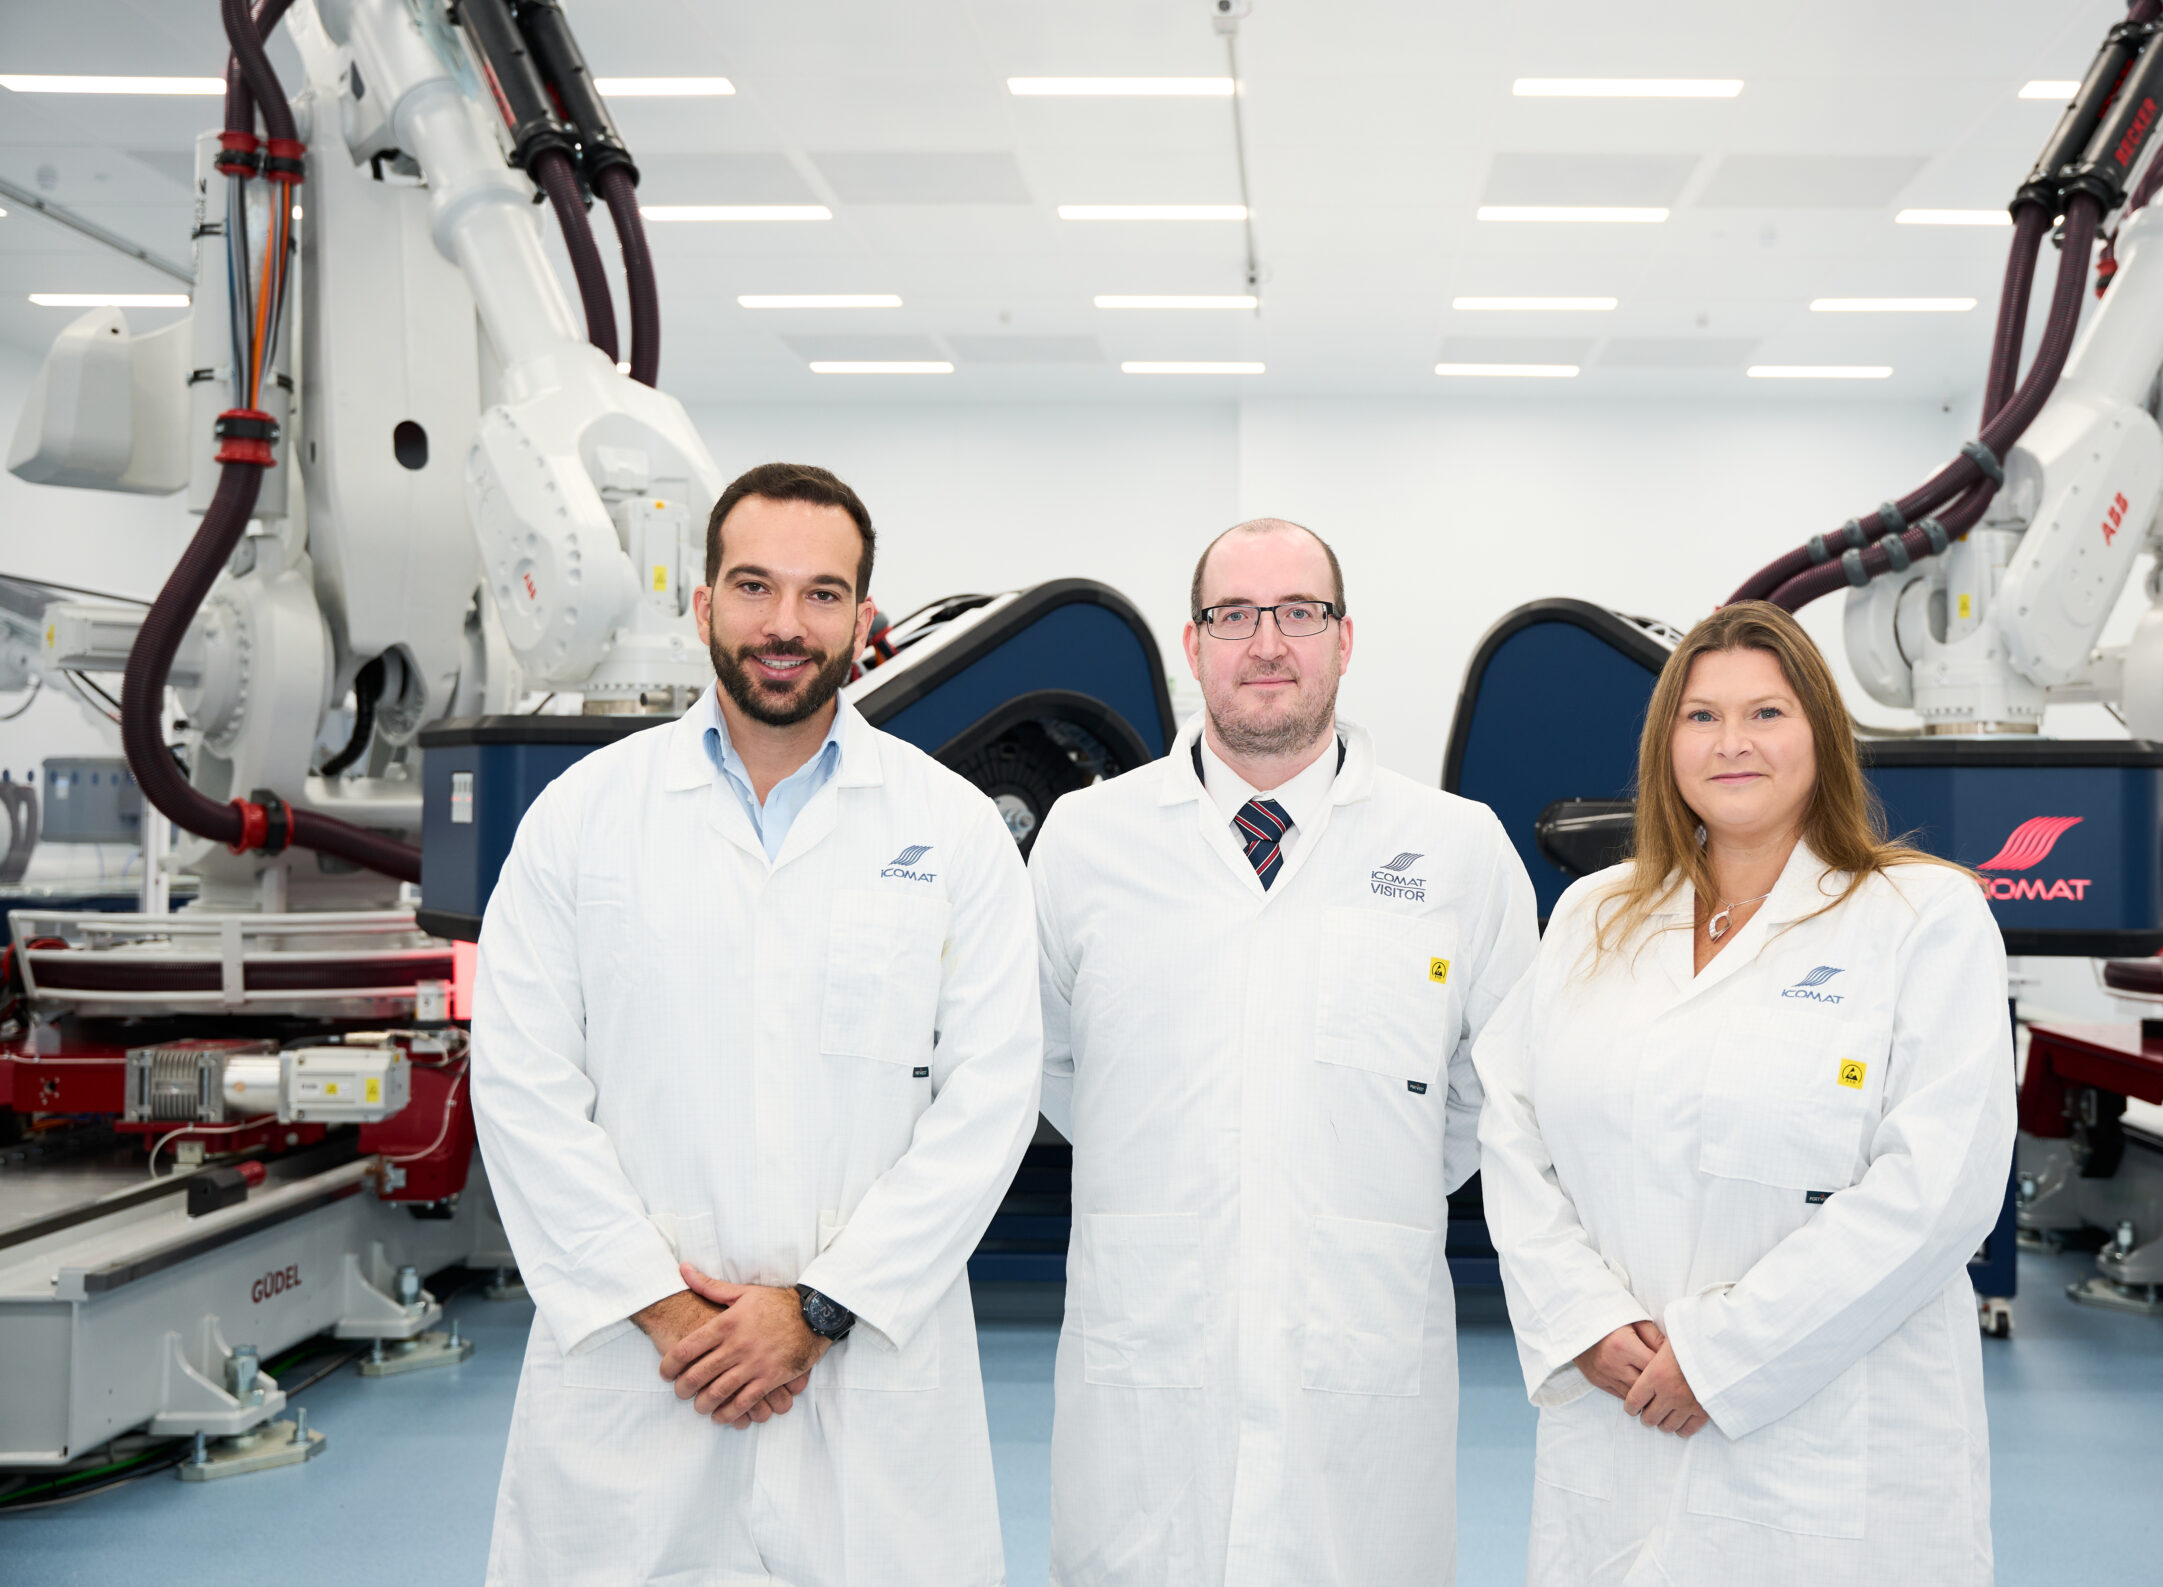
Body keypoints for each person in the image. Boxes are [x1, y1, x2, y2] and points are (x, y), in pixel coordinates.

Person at [470, 462, 1040, 1587]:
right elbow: (523, 1089)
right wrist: (673, 1316)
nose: (786, 624)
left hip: (865, 1373)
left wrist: (820, 1309)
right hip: (642, 1376)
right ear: (701, 606)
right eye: (753, 587)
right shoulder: (582, 820)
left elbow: (989, 1101)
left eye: (823, 594)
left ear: (865, 621)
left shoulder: (954, 830)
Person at [1030, 518, 1540, 1587]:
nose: (1268, 642)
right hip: (1149, 1340)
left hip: (1361, 1342)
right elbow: (1054, 1065)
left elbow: (1493, 1093)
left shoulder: (1456, 850)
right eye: (1234, 616)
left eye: (1299, 613)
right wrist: (1197, 1161)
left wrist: (1343, 1178)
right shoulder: (1087, 841)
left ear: (1345, 641)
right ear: (1192, 641)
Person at [1474, 600, 2013, 1585]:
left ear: (1821, 735)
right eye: (1700, 716)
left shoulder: (1922, 917)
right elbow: (1512, 1130)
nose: (1732, 744)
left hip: (1826, 1436)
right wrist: (1582, 1318)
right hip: (1621, 1403)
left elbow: (1937, 1194)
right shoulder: (1596, 913)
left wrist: (1722, 1358)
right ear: (1665, 744)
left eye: (1765, 714)